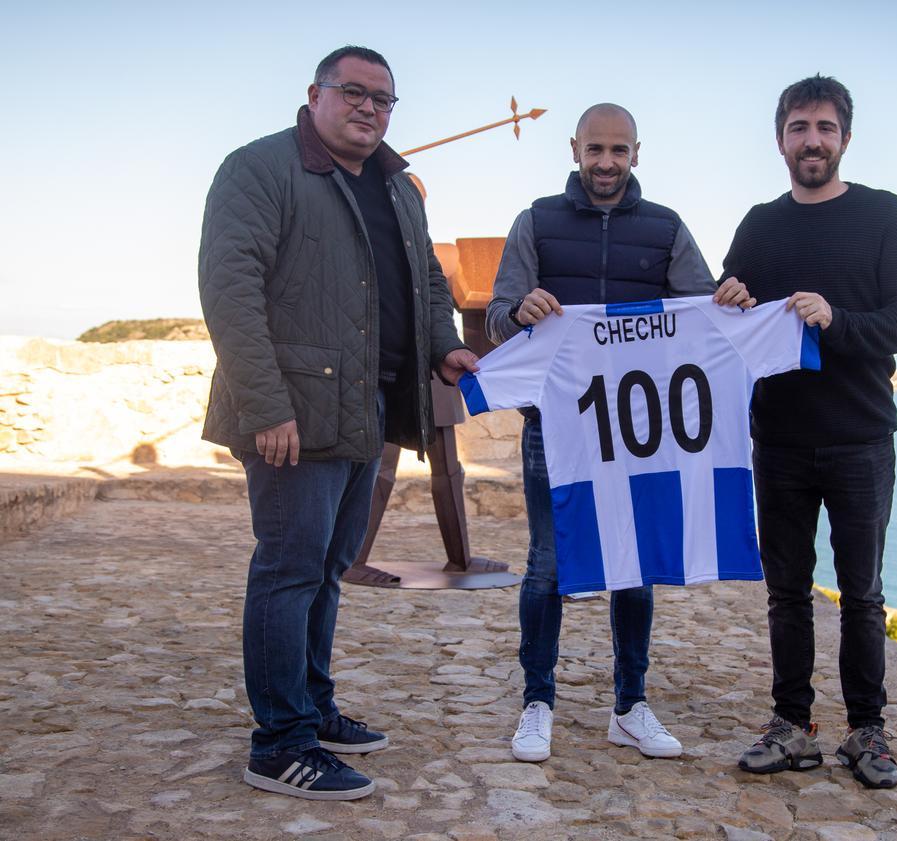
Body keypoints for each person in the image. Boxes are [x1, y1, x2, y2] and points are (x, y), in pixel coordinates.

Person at [198, 45, 477, 800]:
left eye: (383, 100)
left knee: (327, 568)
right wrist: (266, 407)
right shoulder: (258, 169)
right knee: (288, 570)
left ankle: (313, 708)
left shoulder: (398, 187)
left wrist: (446, 349)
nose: (369, 108)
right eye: (353, 92)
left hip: (369, 407)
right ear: (315, 95)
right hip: (292, 412)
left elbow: (428, 283)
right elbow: (230, 292)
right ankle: (279, 743)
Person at [486, 103, 752, 763]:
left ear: (637, 152)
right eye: (595, 149)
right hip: (556, 426)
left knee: (635, 561)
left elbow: (702, 313)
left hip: (640, 429)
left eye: (619, 150)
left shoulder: (665, 227)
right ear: (574, 148)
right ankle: (537, 701)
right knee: (547, 563)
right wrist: (519, 311)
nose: (606, 162)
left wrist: (733, 300)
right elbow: (495, 319)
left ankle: (630, 704)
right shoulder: (536, 221)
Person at [722, 75, 897, 789]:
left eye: (825, 128)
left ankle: (866, 732)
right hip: (776, 440)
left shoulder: (885, 217)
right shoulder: (758, 223)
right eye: (799, 127)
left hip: (860, 439)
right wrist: (730, 294)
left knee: (863, 593)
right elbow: (732, 313)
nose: (812, 140)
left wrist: (836, 320)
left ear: (845, 137)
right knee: (786, 592)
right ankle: (793, 726)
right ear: (780, 139)